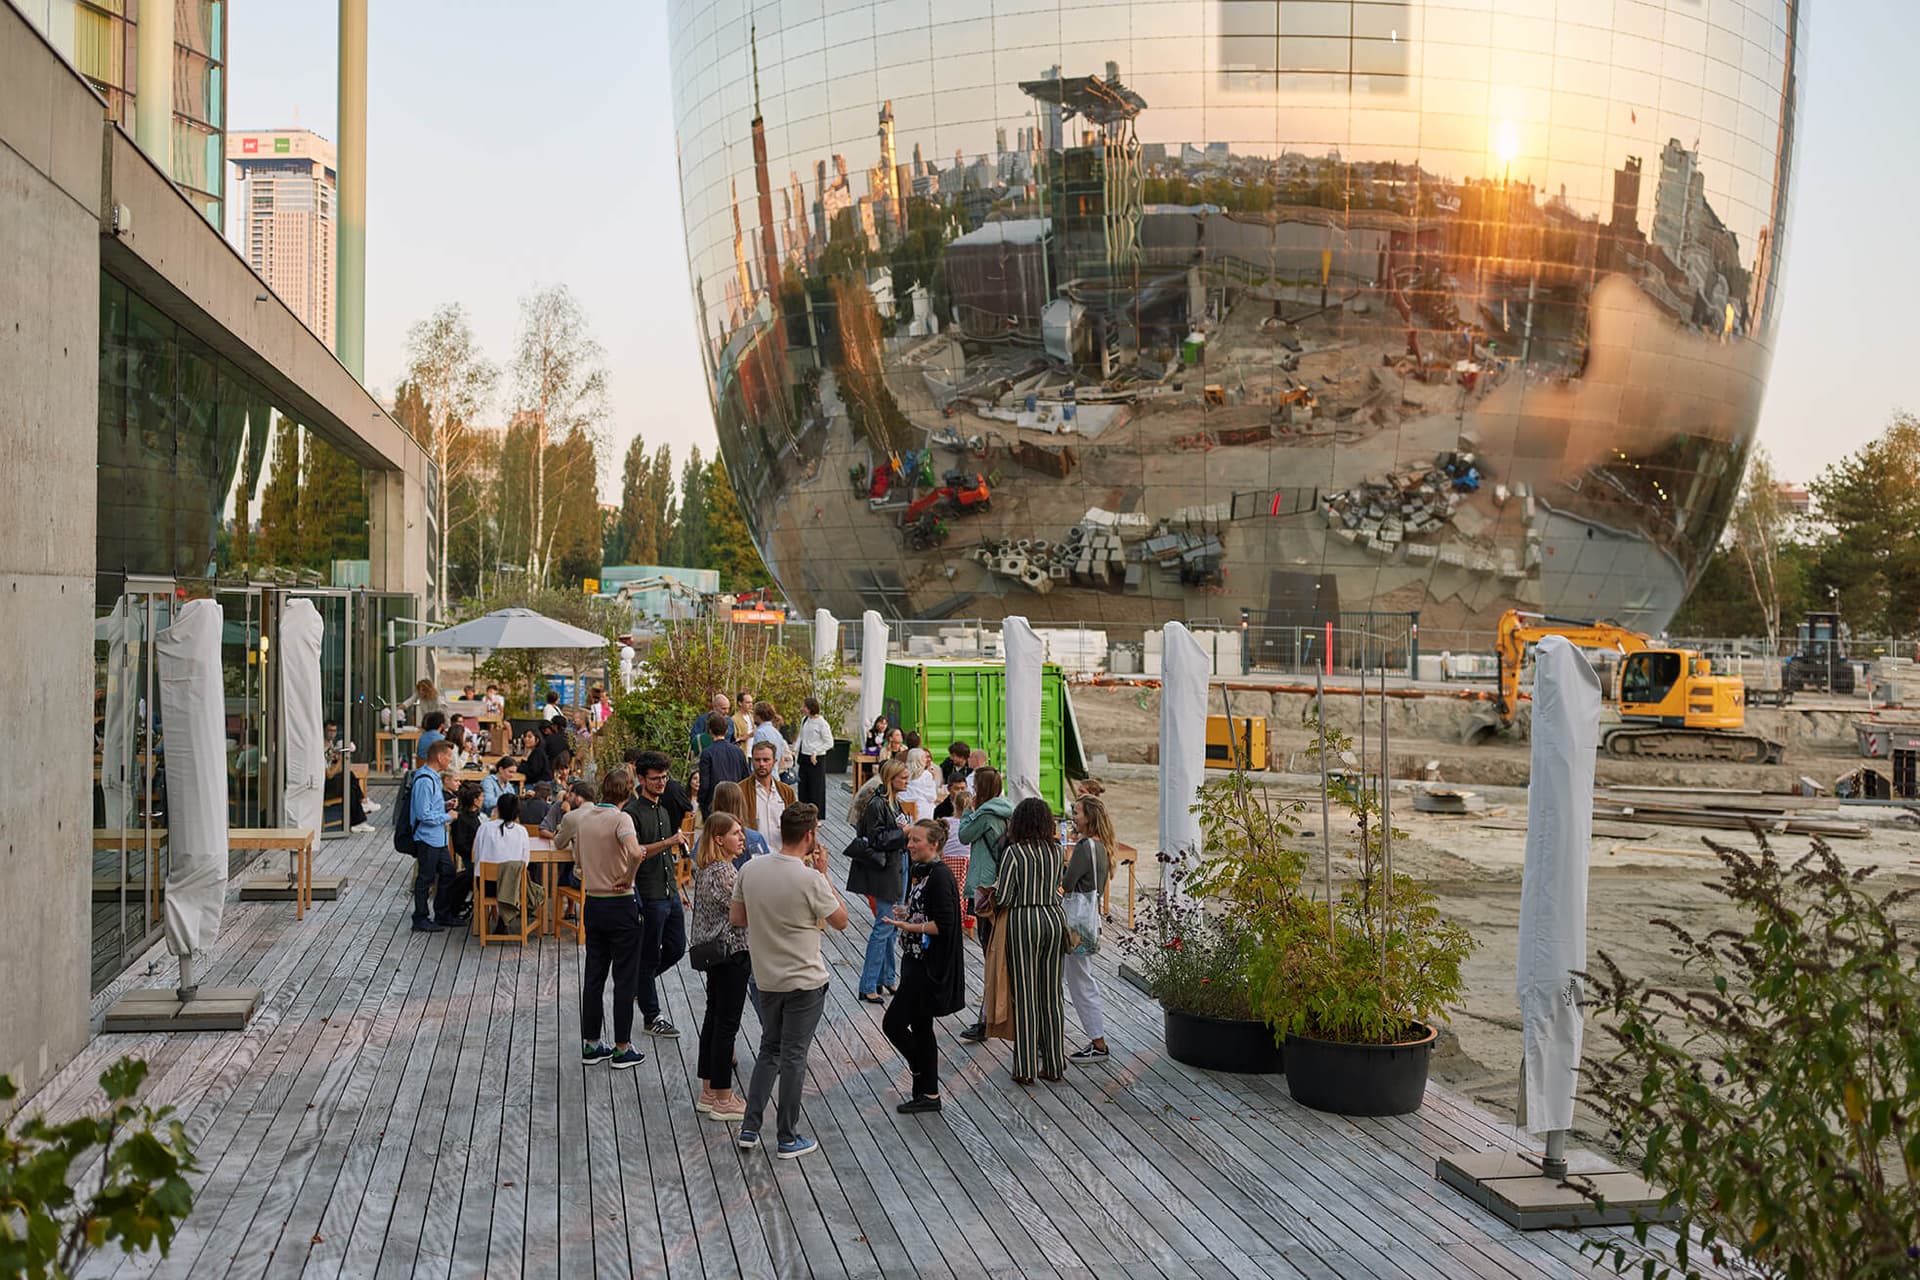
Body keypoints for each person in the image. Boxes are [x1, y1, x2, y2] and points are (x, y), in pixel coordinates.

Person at [729, 803, 850, 1157]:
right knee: (794, 1056)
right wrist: (825, 874)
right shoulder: (810, 878)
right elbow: (841, 921)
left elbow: (738, 918)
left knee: (770, 1049)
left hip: (766, 976)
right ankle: (787, 1135)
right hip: (804, 980)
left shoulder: (750, 869)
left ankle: (750, 1127)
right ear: (810, 836)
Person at [560, 770, 649, 1071]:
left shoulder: (584, 820)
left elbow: (580, 862)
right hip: (620, 904)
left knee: (594, 976)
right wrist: (627, 877)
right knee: (624, 978)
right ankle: (623, 1047)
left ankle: (592, 1044)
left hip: (593, 903)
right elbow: (635, 853)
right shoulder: (621, 819)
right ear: (627, 793)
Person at [882, 819, 966, 1113]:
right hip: (914, 960)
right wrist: (909, 912)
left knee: (892, 1023)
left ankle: (921, 1069)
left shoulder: (941, 876)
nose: (909, 845)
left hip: (926, 966)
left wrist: (907, 925)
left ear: (934, 844)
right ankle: (928, 1094)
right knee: (920, 1026)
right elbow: (926, 912)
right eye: (910, 840)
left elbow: (944, 924)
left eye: (915, 840)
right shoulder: (926, 873)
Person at [992, 797, 1069, 1084]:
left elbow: (1005, 896)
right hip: (1054, 918)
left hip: (1024, 920)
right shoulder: (1057, 851)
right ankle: (1054, 1065)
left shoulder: (1015, 853)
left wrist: (993, 896)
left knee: (1025, 995)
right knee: (1052, 995)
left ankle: (1025, 1067)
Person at [625, 751, 693, 1038]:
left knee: (677, 948)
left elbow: (667, 858)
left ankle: (639, 985)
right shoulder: (631, 813)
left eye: (665, 777)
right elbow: (636, 853)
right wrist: (668, 841)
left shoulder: (664, 810)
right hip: (648, 893)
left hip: (669, 892)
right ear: (641, 779)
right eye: (655, 779)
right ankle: (651, 1016)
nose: (662, 783)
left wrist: (679, 888)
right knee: (649, 954)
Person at [691, 812, 754, 1121]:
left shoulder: (705, 870)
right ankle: (724, 1098)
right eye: (736, 833)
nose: (742, 838)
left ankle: (708, 1090)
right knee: (726, 1023)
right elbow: (742, 913)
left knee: (713, 1019)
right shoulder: (725, 873)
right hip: (733, 953)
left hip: (715, 954)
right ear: (719, 839)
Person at [848, 760, 911, 1004]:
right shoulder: (878, 804)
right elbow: (875, 839)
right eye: (903, 777)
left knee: (893, 924)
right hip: (886, 868)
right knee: (884, 924)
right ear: (891, 779)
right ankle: (868, 983)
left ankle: (887, 977)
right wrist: (903, 833)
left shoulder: (895, 802)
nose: (906, 781)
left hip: (899, 864)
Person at [956, 767, 1012, 1041]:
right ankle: (989, 1016)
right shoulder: (1005, 811)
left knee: (990, 953)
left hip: (985, 888)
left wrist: (967, 809)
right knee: (994, 954)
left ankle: (987, 1019)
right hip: (997, 886)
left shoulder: (986, 814)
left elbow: (964, 835)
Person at [1063, 793, 1115, 1063]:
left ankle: (1099, 1042)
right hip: (1087, 919)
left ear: (1089, 818)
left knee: (1081, 982)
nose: (1074, 817)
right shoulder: (1101, 846)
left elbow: (1069, 883)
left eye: (1077, 812)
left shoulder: (1085, 847)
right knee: (1077, 979)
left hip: (1075, 923)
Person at [408, 738, 459, 932]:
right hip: (427, 837)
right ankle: (420, 917)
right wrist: (447, 816)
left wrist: (444, 806)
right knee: (426, 878)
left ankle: (442, 913)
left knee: (448, 872)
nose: (449, 760)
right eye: (448, 756)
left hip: (437, 838)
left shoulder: (434, 777)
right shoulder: (424, 780)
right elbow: (423, 813)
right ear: (439, 757)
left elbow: (429, 807)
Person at [741, 740, 795, 849]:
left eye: (766, 760)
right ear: (752, 762)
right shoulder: (740, 790)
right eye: (757, 760)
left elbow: (795, 823)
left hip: (781, 854)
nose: (761, 764)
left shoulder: (786, 792)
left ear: (774, 761)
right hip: (754, 856)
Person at [703, 780, 771, 866]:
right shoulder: (755, 839)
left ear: (715, 803)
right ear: (742, 803)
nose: (742, 837)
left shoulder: (706, 839)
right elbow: (766, 868)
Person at [696, 713, 749, 817]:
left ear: (710, 731)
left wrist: (701, 801)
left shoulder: (707, 753)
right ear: (726, 730)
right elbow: (746, 777)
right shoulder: (738, 751)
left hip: (714, 802)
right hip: (735, 801)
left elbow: (705, 782)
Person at [448, 781, 483, 918]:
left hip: (477, 856)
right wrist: (476, 853)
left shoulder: (474, 816)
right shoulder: (462, 819)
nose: (482, 800)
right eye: (481, 797)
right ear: (475, 801)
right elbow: (460, 845)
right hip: (471, 859)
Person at [795, 696, 832, 814]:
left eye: (804, 707)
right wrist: (794, 750)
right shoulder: (804, 720)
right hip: (804, 757)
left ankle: (816, 815)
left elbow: (829, 742)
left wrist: (816, 751)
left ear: (811, 708)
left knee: (815, 788)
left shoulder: (822, 723)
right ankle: (804, 812)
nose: (802, 709)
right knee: (803, 787)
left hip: (816, 759)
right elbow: (800, 737)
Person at [900, 747, 940, 816]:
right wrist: (933, 780)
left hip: (905, 813)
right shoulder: (927, 775)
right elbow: (933, 797)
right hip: (923, 813)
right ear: (920, 760)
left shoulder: (902, 774)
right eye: (924, 757)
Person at [750, 700, 787, 770]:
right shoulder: (777, 733)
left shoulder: (760, 732)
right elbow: (781, 759)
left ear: (758, 716)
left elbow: (758, 755)